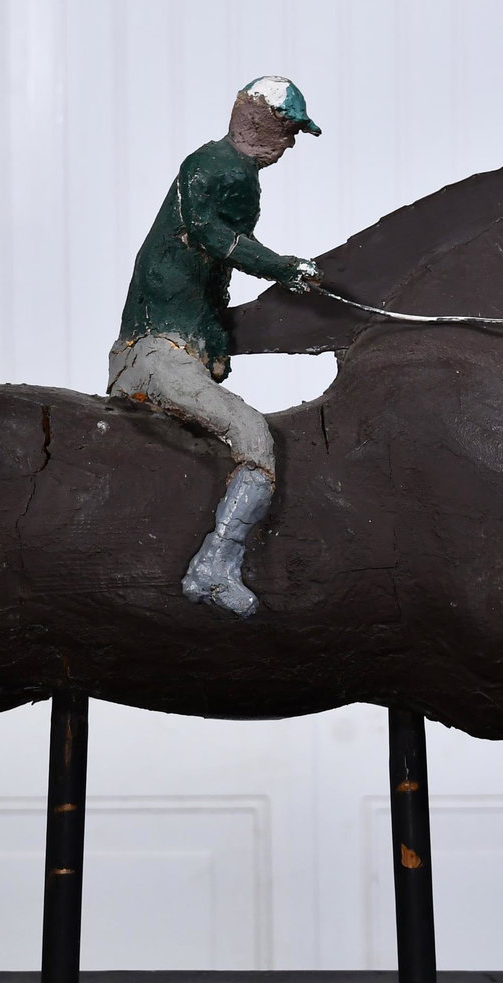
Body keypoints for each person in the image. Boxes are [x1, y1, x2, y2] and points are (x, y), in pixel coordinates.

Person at [109, 76, 322, 618]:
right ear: (264, 124)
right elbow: (211, 234)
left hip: (170, 350)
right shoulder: (221, 168)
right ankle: (215, 566)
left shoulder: (229, 172)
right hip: (158, 356)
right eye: (289, 130)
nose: (291, 144)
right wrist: (285, 268)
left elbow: (210, 267)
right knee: (254, 437)